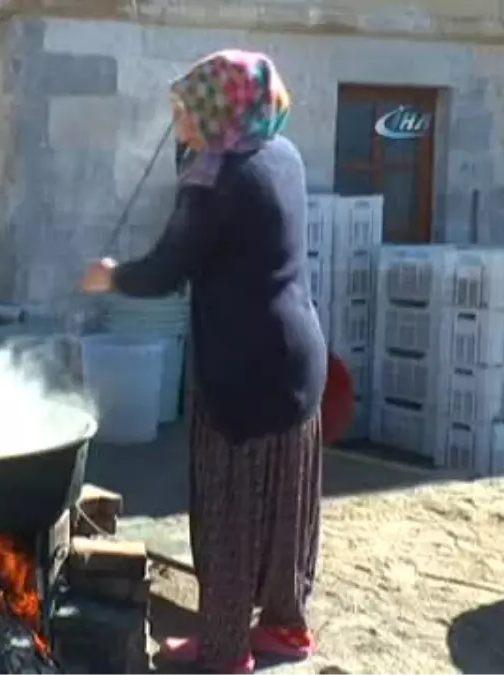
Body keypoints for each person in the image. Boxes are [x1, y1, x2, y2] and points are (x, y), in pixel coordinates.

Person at [79, 50, 326, 675]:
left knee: (229, 512)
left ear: (221, 111)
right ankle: (285, 628)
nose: (179, 122)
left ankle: (224, 650)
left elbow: (166, 268)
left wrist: (111, 278)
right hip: (297, 357)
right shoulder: (282, 155)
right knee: (284, 506)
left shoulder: (216, 178)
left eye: (187, 110)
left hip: (241, 368)